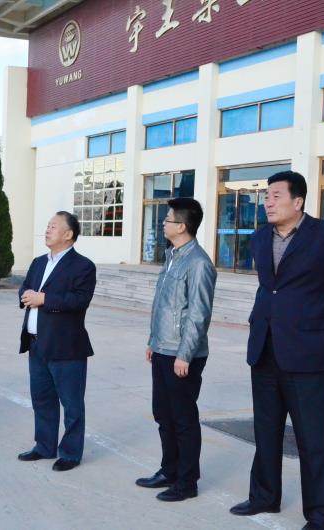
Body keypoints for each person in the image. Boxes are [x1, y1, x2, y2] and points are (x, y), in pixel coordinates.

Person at [229, 171, 324, 530]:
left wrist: (317, 324)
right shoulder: (259, 237)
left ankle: (320, 516)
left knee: (314, 439)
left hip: (307, 353)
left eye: (276, 196)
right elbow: (270, 288)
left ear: (298, 201)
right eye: (266, 197)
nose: (268, 203)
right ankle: (264, 496)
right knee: (266, 431)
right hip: (265, 348)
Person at [136, 198, 216, 502]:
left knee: (183, 419)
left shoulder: (198, 262)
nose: (163, 223)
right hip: (163, 348)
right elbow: (163, 305)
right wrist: (153, 340)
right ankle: (168, 470)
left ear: (181, 226)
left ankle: (187, 482)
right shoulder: (172, 256)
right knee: (163, 414)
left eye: (167, 219)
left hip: (183, 354)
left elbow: (199, 313)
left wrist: (185, 354)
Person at [17, 211, 96, 472]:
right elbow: (25, 287)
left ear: (68, 234)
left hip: (66, 347)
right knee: (42, 399)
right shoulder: (39, 262)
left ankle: (71, 453)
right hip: (36, 343)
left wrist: (44, 299)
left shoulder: (83, 266)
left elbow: (80, 300)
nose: (47, 230)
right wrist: (26, 294)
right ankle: (44, 446)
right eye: (48, 225)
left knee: (72, 404)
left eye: (53, 226)